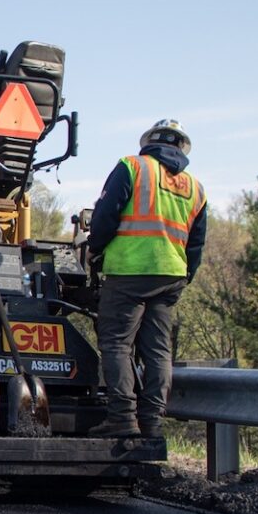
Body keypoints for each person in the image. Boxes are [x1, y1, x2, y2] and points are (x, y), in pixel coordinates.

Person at [87, 119, 208, 439]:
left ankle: (123, 418)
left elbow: (105, 216)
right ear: (181, 148)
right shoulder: (195, 187)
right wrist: (186, 275)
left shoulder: (133, 167)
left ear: (149, 143)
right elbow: (196, 242)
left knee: (116, 343)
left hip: (129, 271)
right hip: (171, 276)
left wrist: (95, 251)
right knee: (157, 350)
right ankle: (153, 422)